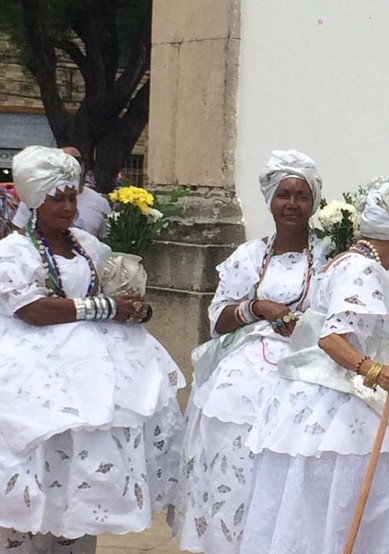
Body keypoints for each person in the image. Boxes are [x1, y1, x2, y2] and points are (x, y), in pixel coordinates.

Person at [240, 177, 389, 553]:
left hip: (313, 401)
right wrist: (373, 370)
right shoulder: (363, 270)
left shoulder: (341, 260)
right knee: (347, 510)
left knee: (311, 516)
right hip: (341, 407)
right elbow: (331, 338)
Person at [0, 146, 185, 554]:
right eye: (58, 198)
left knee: (80, 475)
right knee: (33, 465)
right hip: (31, 372)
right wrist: (105, 308)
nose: (68, 207)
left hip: (92, 372)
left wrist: (132, 308)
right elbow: (30, 309)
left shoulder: (88, 245)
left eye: (73, 198)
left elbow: (110, 291)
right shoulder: (14, 251)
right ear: (34, 200)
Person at [169, 150, 329, 553]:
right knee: (236, 460)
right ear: (270, 201)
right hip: (247, 372)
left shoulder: (329, 256)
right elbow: (218, 318)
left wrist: (304, 323)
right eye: (283, 195)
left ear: (314, 204)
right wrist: (256, 308)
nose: (292, 204)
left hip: (306, 368)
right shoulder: (249, 256)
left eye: (301, 196)